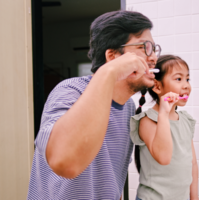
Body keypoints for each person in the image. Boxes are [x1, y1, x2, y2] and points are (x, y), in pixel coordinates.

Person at [27, 10, 161, 199]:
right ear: (113, 56)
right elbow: (65, 162)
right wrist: (109, 72)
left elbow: (111, 176)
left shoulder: (129, 108)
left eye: (155, 49)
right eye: (145, 47)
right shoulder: (70, 90)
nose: (154, 57)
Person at [130, 55, 199, 200]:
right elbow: (163, 157)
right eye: (178, 79)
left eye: (187, 79)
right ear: (157, 86)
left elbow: (192, 163)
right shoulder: (147, 120)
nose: (186, 85)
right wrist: (163, 113)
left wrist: (194, 198)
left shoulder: (186, 120)